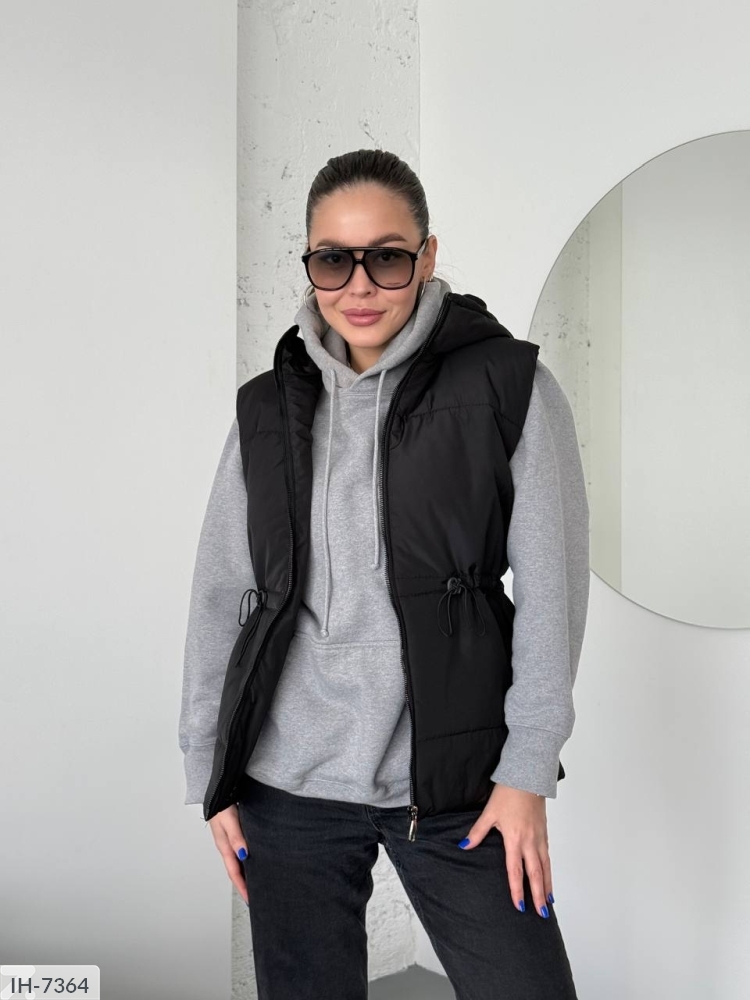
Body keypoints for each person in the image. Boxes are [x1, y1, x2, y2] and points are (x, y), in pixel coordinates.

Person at [178, 148, 590, 1000]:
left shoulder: (510, 387)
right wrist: (209, 771)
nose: (359, 286)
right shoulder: (266, 408)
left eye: (388, 258)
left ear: (427, 257)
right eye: (334, 259)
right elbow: (221, 594)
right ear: (309, 263)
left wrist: (526, 771)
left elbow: (553, 593)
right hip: (285, 786)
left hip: (461, 784)